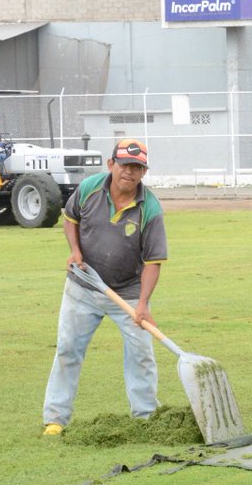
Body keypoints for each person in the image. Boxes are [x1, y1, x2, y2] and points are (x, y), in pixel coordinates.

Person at [41, 138, 168, 435]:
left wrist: (143, 304)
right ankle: (56, 419)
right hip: (83, 286)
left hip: (128, 292)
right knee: (68, 349)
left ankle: (146, 418)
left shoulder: (150, 207)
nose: (130, 173)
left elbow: (153, 262)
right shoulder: (88, 189)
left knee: (141, 355)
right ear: (111, 165)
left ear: (144, 172)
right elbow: (70, 219)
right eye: (125, 165)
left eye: (137, 168)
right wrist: (75, 250)